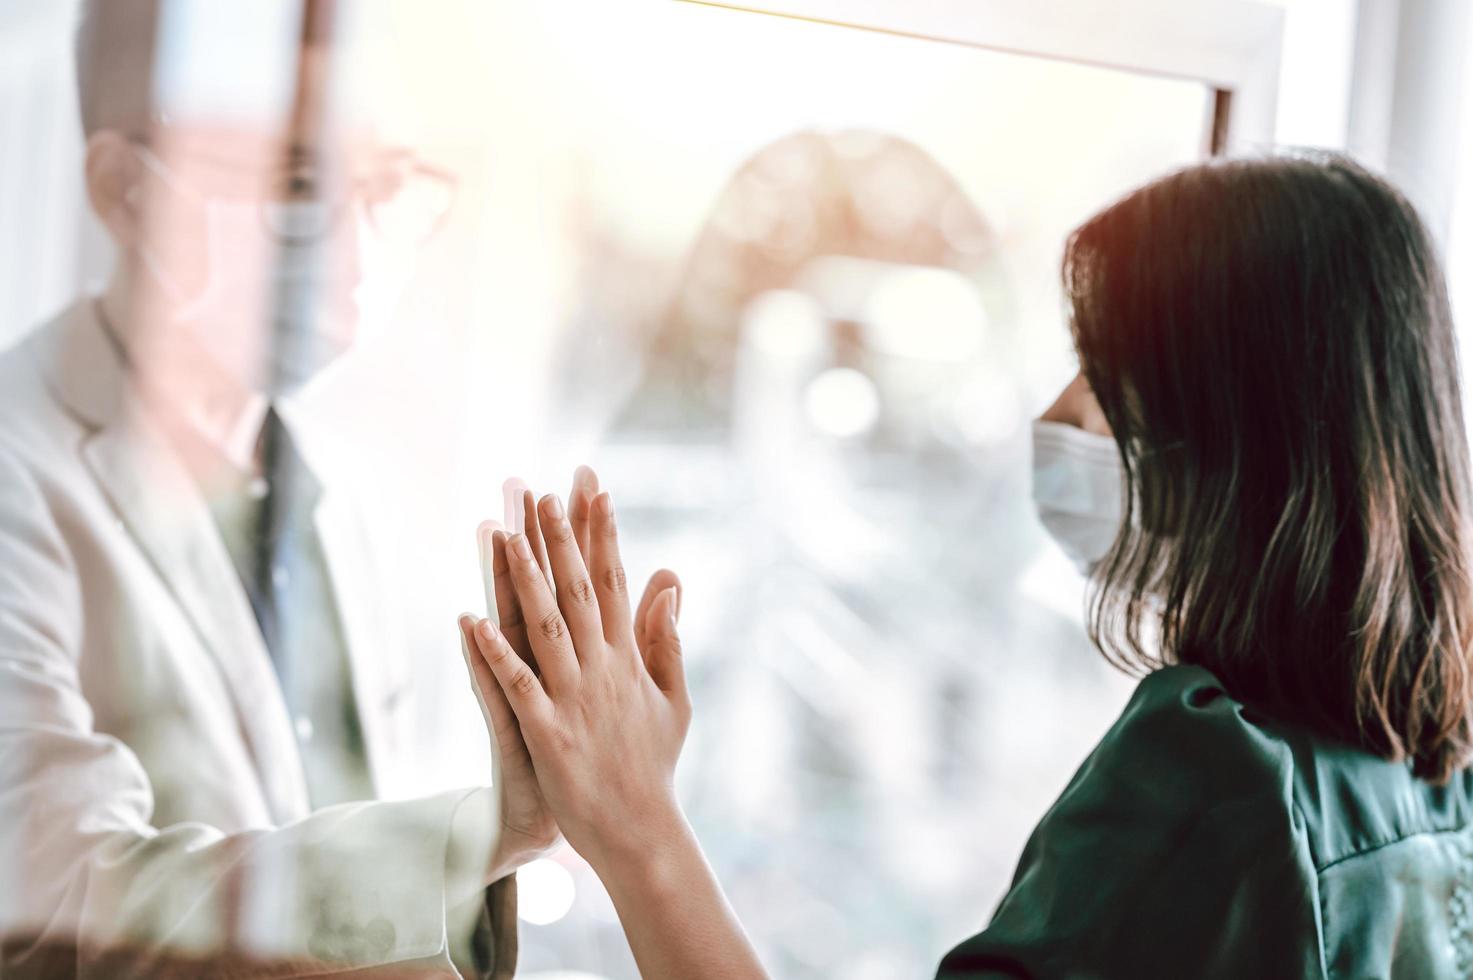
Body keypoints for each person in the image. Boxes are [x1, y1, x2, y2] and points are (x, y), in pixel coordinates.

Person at [463, 154, 1473, 979]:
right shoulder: (1426, 788)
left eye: (1111, 370)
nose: (1057, 417)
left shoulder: (1214, 783)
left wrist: (635, 823)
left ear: (1241, 426)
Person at [0, 2, 657, 975]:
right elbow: (56, 905)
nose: (355, 246)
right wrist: (479, 835)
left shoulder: (335, 497)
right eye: (302, 184)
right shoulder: (19, 470)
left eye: (384, 183)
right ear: (125, 189)